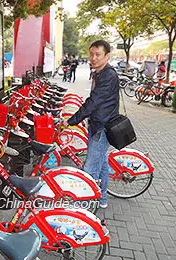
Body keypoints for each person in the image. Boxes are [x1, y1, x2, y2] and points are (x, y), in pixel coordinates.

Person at [63, 40, 120, 208]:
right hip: (99, 124)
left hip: (101, 128)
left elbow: (93, 102)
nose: (93, 58)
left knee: (90, 170)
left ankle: (85, 209)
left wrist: (71, 120)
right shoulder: (101, 73)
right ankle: (102, 200)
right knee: (102, 164)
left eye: (98, 54)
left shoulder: (108, 75)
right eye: (92, 54)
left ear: (107, 56)